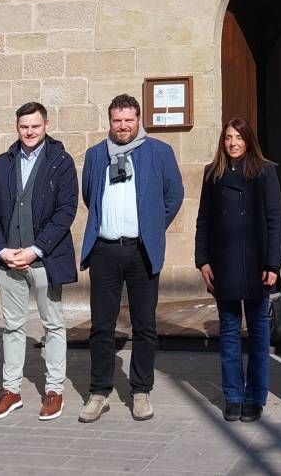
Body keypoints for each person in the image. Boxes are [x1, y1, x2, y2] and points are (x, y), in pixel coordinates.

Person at [78, 93, 184, 423]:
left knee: (144, 324)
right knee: (101, 325)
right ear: (109, 122)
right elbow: (89, 195)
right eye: (117, 120)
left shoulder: (159, 152)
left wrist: (152, 227)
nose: (123, 126)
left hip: (141, 250)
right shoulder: (96, 155)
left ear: (139, 120)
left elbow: (174, 195)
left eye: (128, 120)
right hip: (105, 250)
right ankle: (99, 392)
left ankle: (141, 390)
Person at [0, 101, 79, 421]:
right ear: (17, 128)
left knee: (53, 324)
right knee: (12, 326)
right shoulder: (1, 164)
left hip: (45, 259)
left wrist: (36, 249)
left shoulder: (61, 162)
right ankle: (11, 391)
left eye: (35, 126)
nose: (30, 131)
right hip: (8, 261)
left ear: (46, 125)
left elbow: (66, 211)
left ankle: (54, 390)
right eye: (24, 126)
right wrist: (1, 250)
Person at [194, 118, 281, 423]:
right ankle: (233, 395)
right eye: (228, 137)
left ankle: (256, 396)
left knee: (259, 331)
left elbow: (275, 219)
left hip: (258, 263)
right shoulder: (213, 173)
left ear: (248, 141)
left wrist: (273, 263)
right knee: (229, 331)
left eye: (239, 137)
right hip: (223, 262)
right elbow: (203, 220)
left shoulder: (265, 171)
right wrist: (202, 260)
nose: (233, 143)